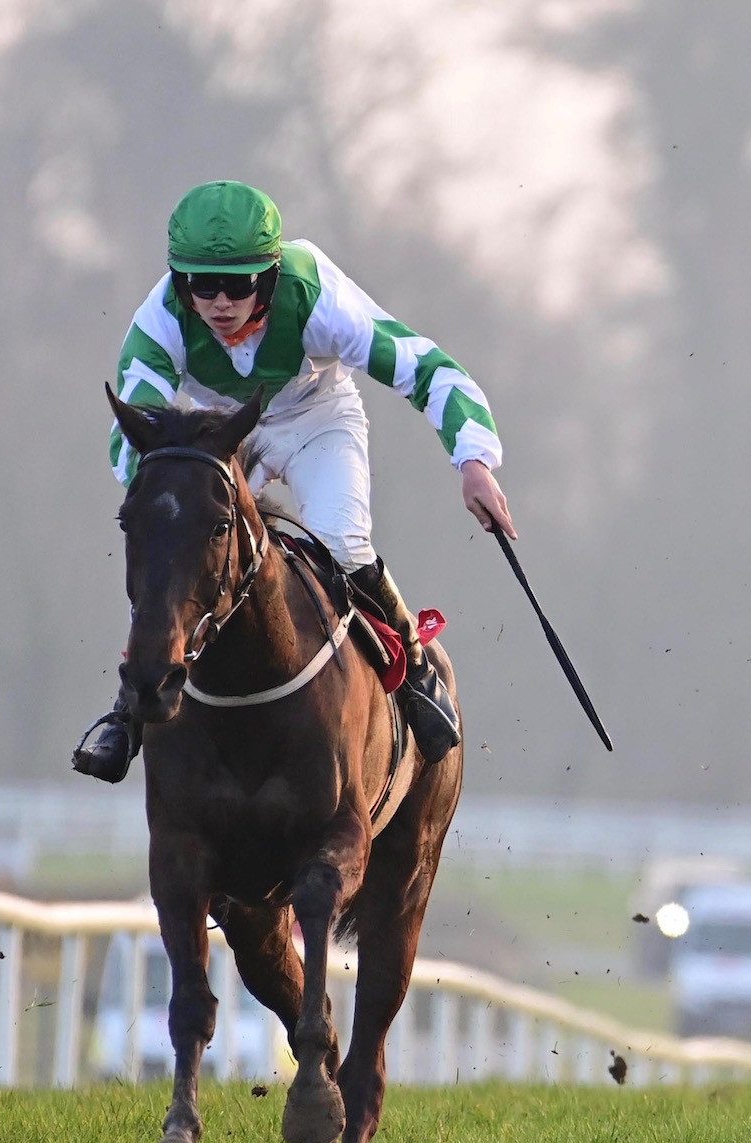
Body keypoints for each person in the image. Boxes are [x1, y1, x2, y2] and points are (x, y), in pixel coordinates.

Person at [71, 180, 515, 781]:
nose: (220, 302)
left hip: (318, 419)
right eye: (204, 285)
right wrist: (165, 509)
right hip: (217, 438)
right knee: (177, 556)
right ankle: (129, 712)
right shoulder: (158, 322)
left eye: (240, 284)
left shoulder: (317, 296)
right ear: (181, 282)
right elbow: (136, 437)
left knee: (342, 543)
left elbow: (427, 369)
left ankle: (412, 670)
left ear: (271, 276)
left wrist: (473, 462)